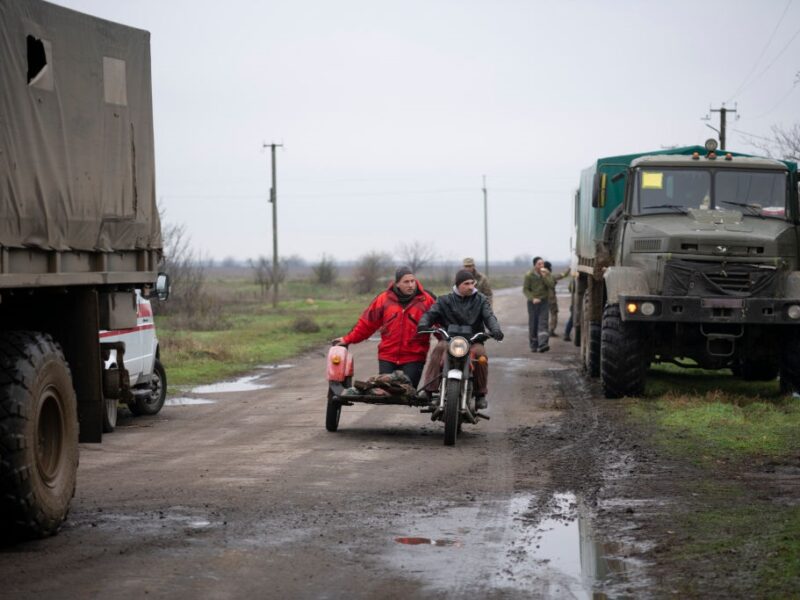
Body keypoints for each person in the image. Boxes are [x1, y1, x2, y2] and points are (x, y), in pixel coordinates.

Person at [333, 266, 435, 387]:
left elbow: (440, 323)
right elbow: (366, 324)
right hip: (388, 356)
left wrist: (450, 341)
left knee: (407, 388)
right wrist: (347, 339)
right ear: (397, 284)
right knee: (386, 389)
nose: (411, 285)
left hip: (414, 356)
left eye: (412, 281)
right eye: (406, 282)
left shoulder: (426, 301)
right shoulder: (383, 300)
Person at [416, 269, 503, 410]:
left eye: (472, 283)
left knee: (481, 355)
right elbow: (431, 313)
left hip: (473, 341)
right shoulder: (445, 300)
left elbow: (489, 317)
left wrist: (495, 330)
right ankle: (429, 391)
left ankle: (480, 394)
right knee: (438, 349)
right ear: (457, 285)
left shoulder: (481, 300)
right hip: (449, 340)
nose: (470, 286)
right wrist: (423, 323)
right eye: (466, 284)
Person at [523, 257, 554, 353]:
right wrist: (532, 298)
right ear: (535, 265)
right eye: (539, 264)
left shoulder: (547, 274)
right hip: (533, 303)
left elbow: (551, 285)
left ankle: (543, 344)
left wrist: (545, 276)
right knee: (533, 323)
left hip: (544, 302)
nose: (541, 266)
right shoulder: (529, 275)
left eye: (542, 264)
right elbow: (525, 289)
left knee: (543, 322)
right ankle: (533, 345)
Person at [544, 261, 570, 337]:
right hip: (551, 299)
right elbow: (563, 275)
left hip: (542, 299)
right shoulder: (551, 277)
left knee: (543, 316)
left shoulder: (539, 276)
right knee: (554, 314)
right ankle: (551, 330)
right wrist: (569, 269)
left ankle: (542, 330)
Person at [563, 274, 576, 342]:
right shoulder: (574, 278)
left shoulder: (573, 278)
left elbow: (570, 288)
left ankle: (566, 334)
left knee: (572, 319)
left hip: (575, 302)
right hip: (575, 302)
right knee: (572, 319)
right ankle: (566, 334)